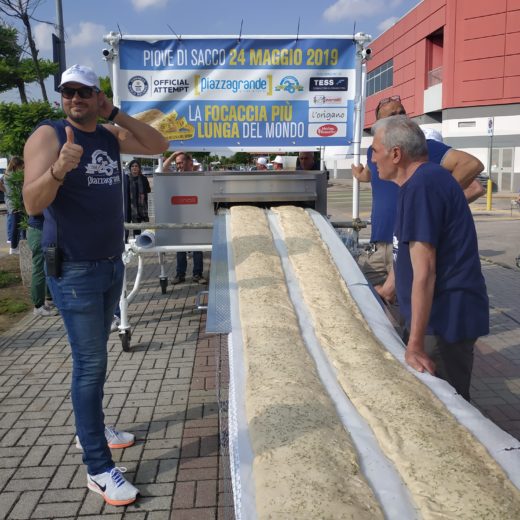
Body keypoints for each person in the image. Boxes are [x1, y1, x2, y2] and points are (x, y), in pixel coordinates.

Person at [22, 64, 168, 506]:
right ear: (61, 99)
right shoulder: (48, 136)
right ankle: (99, 469)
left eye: (84, 92)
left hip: (109, 262)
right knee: (89, 366)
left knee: (97, 359)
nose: (75, 100)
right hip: (74, 269)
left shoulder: (107, 133)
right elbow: (31, 202)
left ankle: (95, 427)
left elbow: (161, 144)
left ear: (98, 95)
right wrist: (60, 170)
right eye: (68, 93)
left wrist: (117, 113)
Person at [372, 115, 489, 401]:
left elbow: (425, 271)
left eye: (375, 151)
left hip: (445, 319)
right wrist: (387, 289)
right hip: (438, 317)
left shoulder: (422, 187)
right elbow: (407, 252)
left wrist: (414, 345)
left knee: (447, 408)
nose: (373, 160)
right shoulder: (419, 183)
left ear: (396, 153)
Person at [352, 95, 485, 287]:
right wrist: (360, 175)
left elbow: (471, 164)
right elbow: (372, 173)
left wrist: (437, 200)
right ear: (379, 123)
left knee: (404, 303)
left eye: (402, 112)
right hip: (378, 244)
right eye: (393, 115)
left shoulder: (421, 147)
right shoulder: (374, 151)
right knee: (361, 292)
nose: (400, 117)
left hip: (407, 243)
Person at [170, 151, 207, 285]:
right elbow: (162, 169)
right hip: (181, 216)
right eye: (177, 163)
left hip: (196, 215)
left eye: (181, 162)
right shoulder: (175, 176)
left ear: (189, 162)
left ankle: (197, 274)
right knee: (180, 247)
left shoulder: (199, 176)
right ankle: (180, 274)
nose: (179, 165)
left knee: (197, 246)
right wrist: (173, 155)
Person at [27, 213, 58, 317]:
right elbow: (32, 210)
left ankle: (50, 299)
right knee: (39, 269)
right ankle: (38, 306)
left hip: (46, 229)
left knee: (51, 265)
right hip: (39, 230)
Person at [3, 157, 25, 255]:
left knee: (16, 225)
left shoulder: (8, 174)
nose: (22, 168)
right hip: (13, 202)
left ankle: (14, 247)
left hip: (15, 201)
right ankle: (13, 248)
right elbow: (23, 178)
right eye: (21, 166)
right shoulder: (11, 175)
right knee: (15, 225)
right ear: (16, 166)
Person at [126, 159, 151, 237]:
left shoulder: (144, 179)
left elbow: (148, 190)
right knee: (125, 228)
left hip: (139, 208)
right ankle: (125, 244)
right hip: (128, 206)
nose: (134, 168)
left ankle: (137, 245)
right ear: (130, 168)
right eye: (132, 166)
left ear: (139, 168)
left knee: (137, 230)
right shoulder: (126, 178)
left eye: (136, 166)